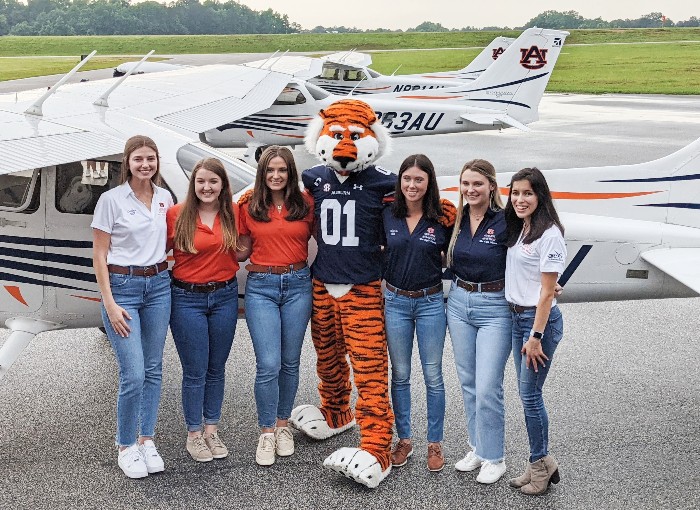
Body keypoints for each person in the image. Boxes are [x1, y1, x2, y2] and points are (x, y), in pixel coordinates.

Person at [91, 135, 173, 479]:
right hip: (122, 288)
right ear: (128, 162)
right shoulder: (111, 200)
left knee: (154, 369)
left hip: (159, 286)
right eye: (139, 159)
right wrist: (108, 303)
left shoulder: (165, 198)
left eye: (151, 159)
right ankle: (126, 444)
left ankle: (146, 438)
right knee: (134, 373)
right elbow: (99, 253)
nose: (145, 165)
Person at [237, 146, 314, 466]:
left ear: (290, 172)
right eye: (270, 170)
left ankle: (283, 425)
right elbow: (240, 252)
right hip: (261, 288)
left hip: (298, 285)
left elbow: (329, 240)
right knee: (268, 364)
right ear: (262, 172)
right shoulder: (248, 205)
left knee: (290, 362)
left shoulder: (306, 203)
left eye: (282, 170)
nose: (276, 175)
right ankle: (267, 431)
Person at [167, 157, 243, 463]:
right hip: (187, 299)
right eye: (201, 181)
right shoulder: (177, 214)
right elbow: (155, 252)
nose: (206, 187)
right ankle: (194, 434)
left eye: (213, 181)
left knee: (216, 368)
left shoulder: (234, 213)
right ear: (193, 184)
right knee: (195, 370)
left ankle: (212, 429)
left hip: (224, 296)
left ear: (223, 184)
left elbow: (246, 245)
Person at [382, 154, 455, 472]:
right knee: (399, 375)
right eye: (407, 179)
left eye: (419, 179)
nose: (412, 185)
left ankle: (435, 444)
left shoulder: (443, 217)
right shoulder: (387, 213)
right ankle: (405, 440)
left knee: (433, 376)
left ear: (429, 183)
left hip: (430, 303)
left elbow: (460, 252)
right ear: (400, 182)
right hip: (395, 301)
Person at [445, 159, 512, 484]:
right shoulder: (456, 220)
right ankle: (478, 448)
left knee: (487, 387)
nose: (471, 190)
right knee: (469, 383)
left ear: (491, 186)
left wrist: (550, 282)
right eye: (466, 184)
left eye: (478, 184)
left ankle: (495, 457)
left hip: (495, 307)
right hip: (458, 303)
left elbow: (534, 248)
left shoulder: (506, 221)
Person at [504, 167, 566, 495]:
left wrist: (536, 336)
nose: (520, 199)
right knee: (527, 394)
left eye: (527, 193)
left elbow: (546, 293)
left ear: (539, 195)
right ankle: (539, 463)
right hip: (517, 319)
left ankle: (540, 465)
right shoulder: (519, 227)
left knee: (530, 395)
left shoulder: (550, 233)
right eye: (515, 193)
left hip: (537, 324)